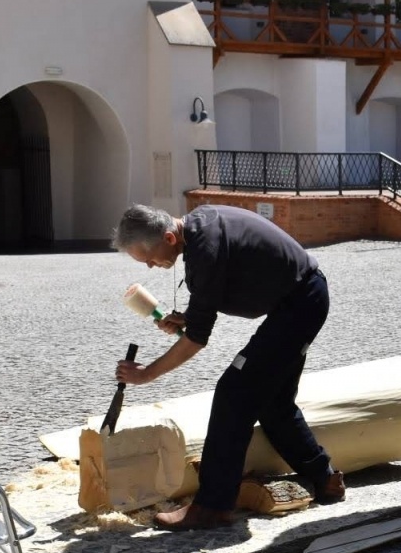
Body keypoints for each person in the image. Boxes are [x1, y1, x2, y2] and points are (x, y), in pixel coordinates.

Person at [110, 203, 344, 530]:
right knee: (273, 402)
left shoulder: (203, 250)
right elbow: (206, 309)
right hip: (300, 298)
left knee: (234, 393)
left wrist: (147, 373)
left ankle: (213, 506)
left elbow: (197, 340)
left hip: (300, 303)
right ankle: (325, 479)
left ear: (168, 236)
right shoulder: (199, 227)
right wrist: (189, 320)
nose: (150, 266)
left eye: (148, 257)